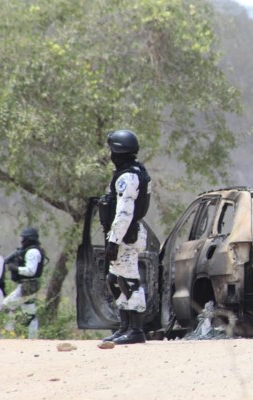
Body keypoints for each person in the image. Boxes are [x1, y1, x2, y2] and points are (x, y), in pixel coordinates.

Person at [98, 130, 151, 344]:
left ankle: (136, 331)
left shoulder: (128, 177)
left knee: (129, 281)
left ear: (118, 152)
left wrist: (114, 240)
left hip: (125, 236)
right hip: (123, 234)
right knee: (115, 279)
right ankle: (125, 327)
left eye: (112, 150)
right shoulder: (133, 172)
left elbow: (124, 212)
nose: (110, 154)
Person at [3, 227, 46, 338]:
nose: (22, 241)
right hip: (28, 284)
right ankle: (32, 337)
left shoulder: (32, 251)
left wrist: (16, 269)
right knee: (29, 311)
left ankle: (9, 332)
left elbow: (31, 271)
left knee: (6, 305)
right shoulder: (30, 250)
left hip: (28, 284)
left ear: (29, 239)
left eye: (23, 238)